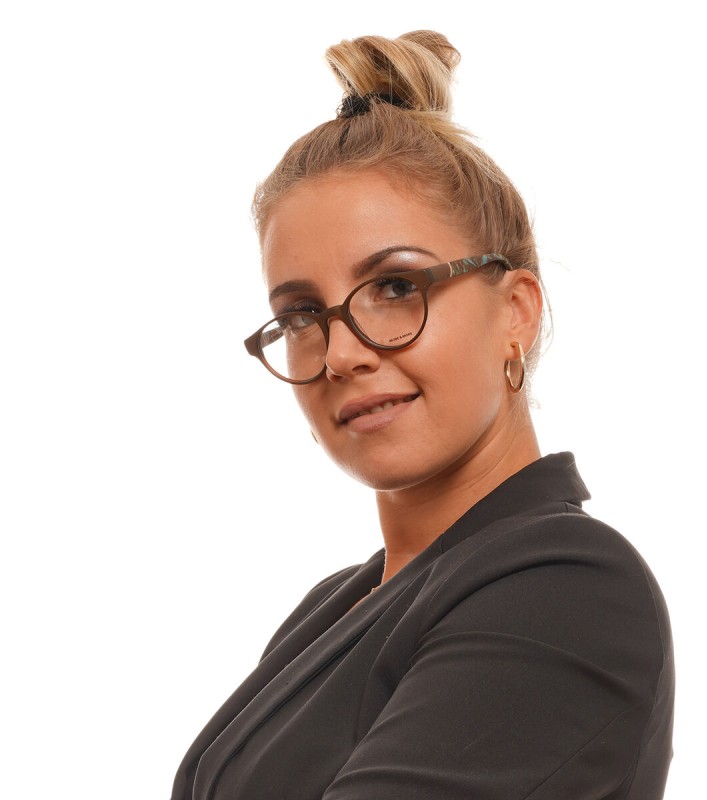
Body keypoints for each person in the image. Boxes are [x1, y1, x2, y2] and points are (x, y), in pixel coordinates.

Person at [171, 30, 674, 800]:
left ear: (515, 311)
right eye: (302, 315)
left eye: (396, 288)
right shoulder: (334, 608)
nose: (341, 353)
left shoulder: (565, 588)